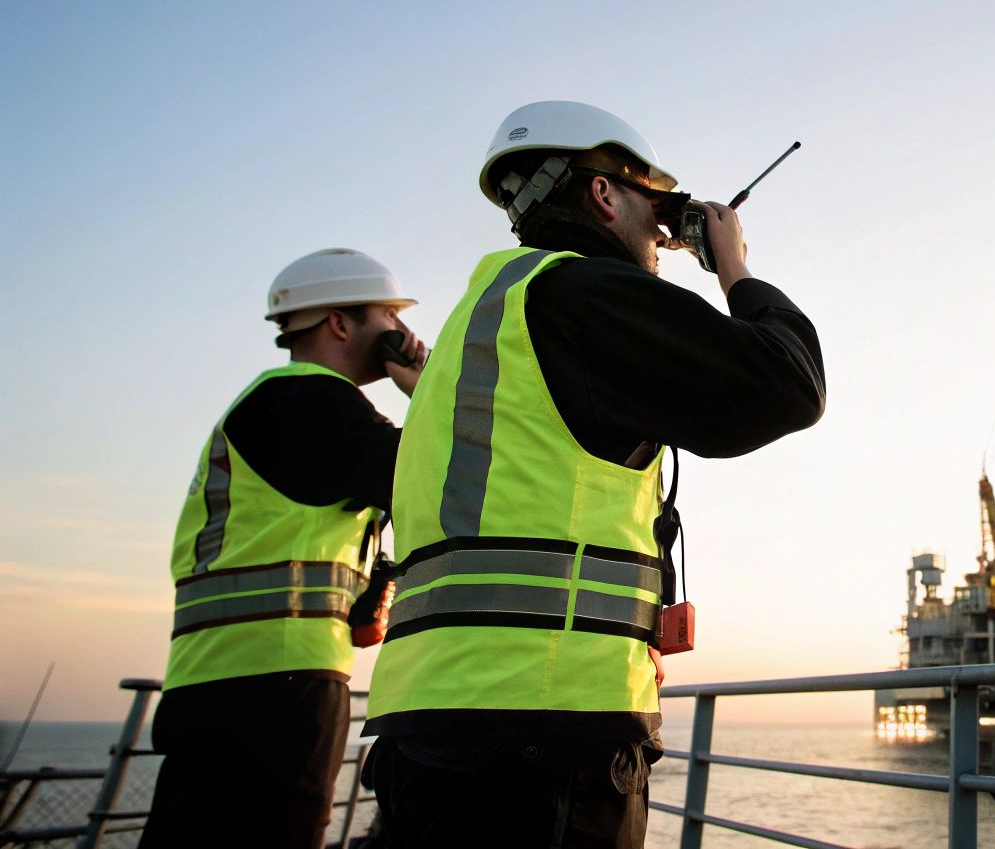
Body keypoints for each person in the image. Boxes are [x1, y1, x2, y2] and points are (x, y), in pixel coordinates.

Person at [363, 101, 825, 848]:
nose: (660, 233)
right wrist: (732, 264)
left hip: (427, 721)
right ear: (604, 194)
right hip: (541, 733)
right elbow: (790, 386)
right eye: (653, 205)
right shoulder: (580, 296)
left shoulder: (477, 320)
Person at [141, 248, 428, 849]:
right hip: (269, 682)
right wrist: (425, 386)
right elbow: (432, 470)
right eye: (390, 316)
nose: (403, 331)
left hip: (242, 676)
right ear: (341, 324)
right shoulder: (304, 401)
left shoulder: (294, 410)